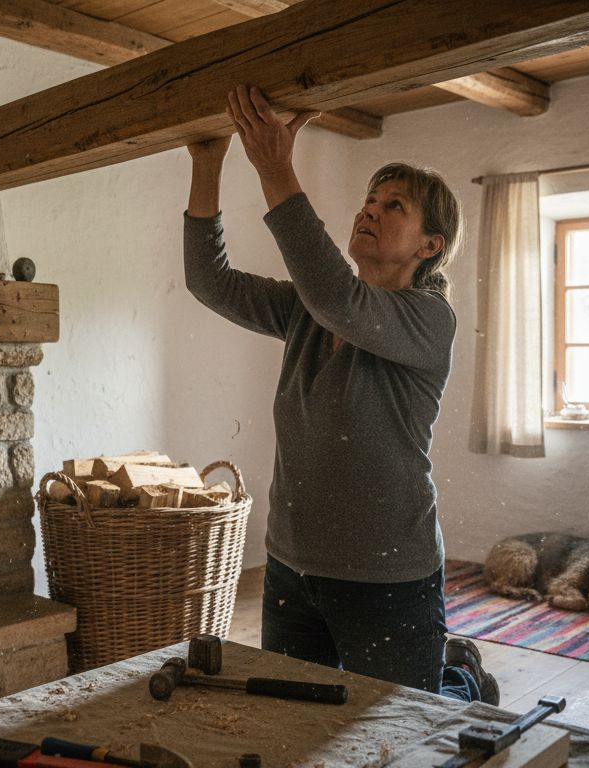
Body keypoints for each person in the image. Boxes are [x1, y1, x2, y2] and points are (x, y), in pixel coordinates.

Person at [182, 85, 497, 704]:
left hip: (386, 574)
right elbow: (208, 281)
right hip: (292, 565)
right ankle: (446, 671)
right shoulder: (311, 309)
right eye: (370, 199)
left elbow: (337, 297)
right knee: (300, 719)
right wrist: (207, 161)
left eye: (394, 205)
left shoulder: (430, 319)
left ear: (429, 246)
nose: (370, 210)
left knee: (400, 727)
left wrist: (275, 166)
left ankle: (462, 681)